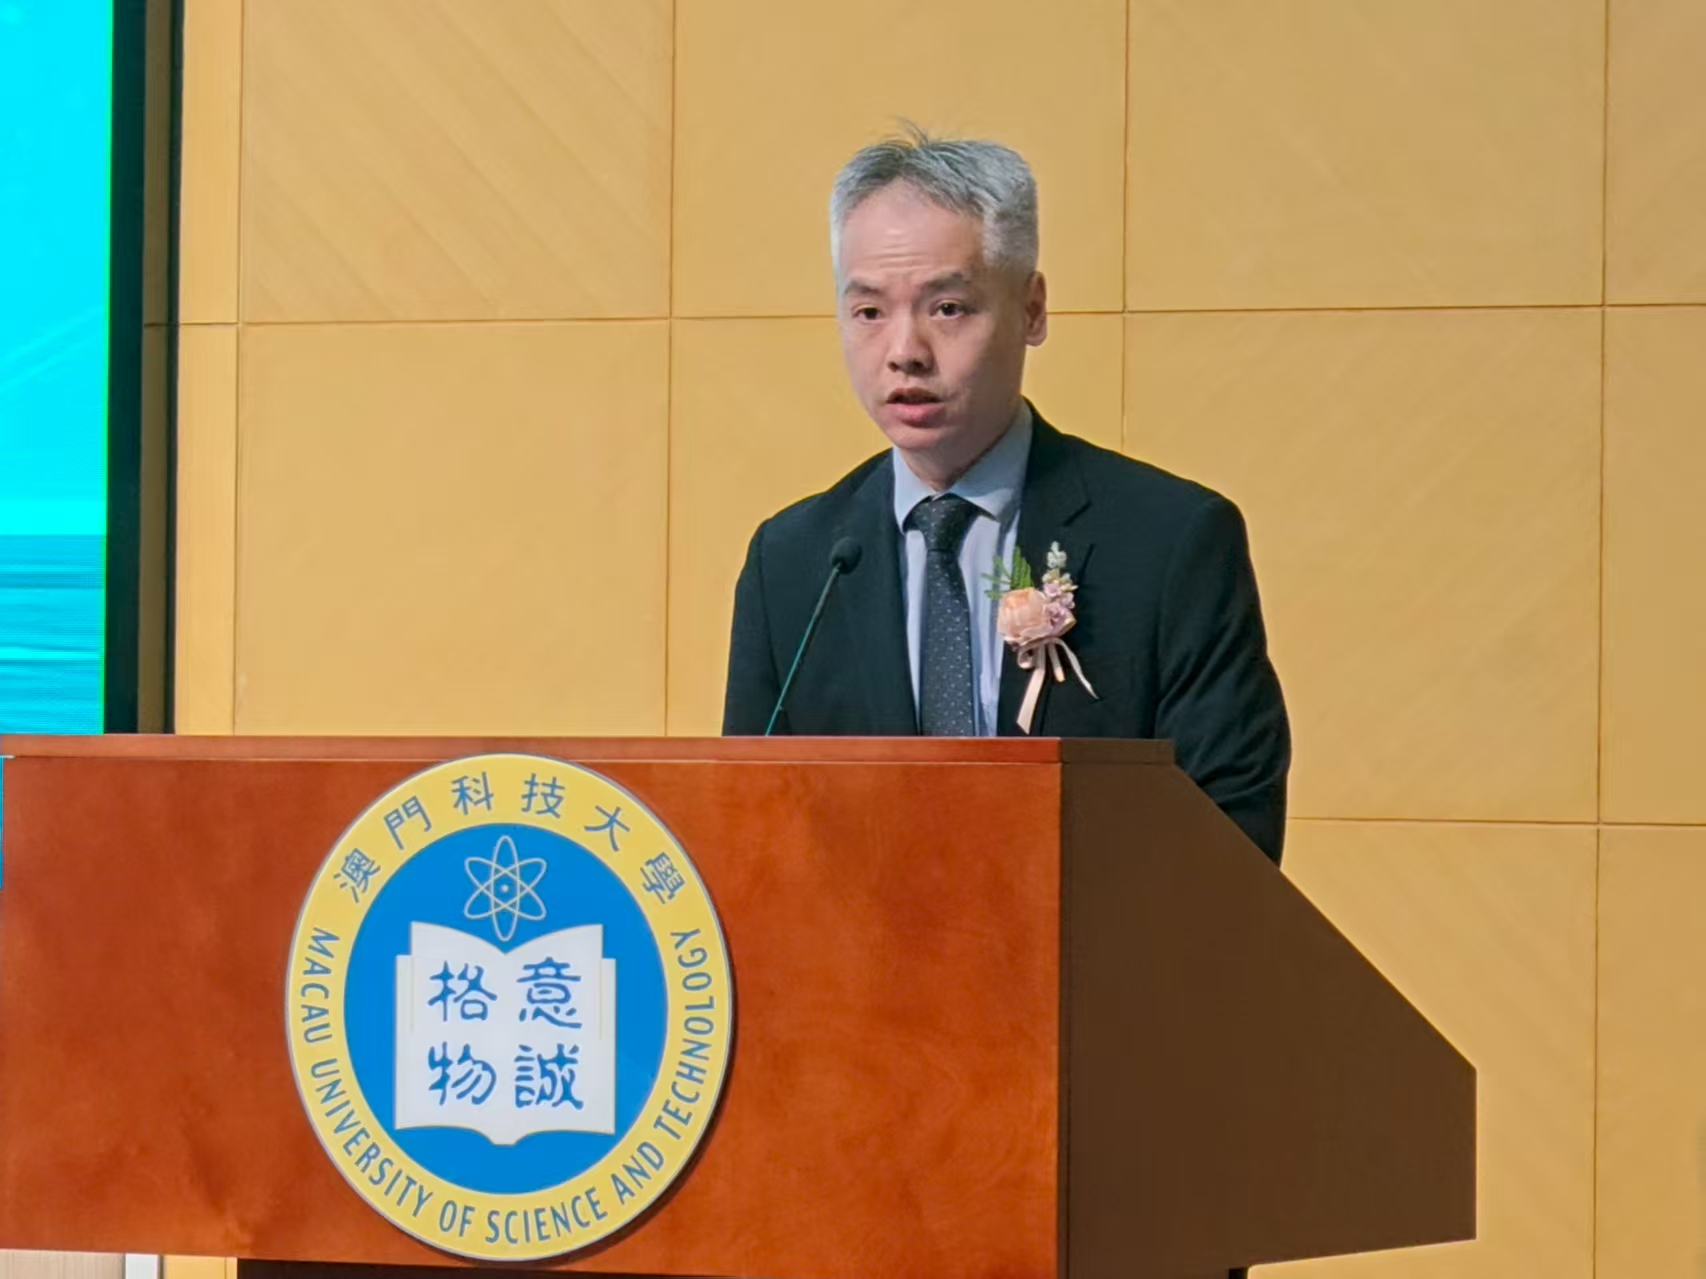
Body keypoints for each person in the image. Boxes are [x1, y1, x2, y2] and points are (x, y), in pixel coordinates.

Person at [722, 126, 1289, 866]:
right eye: (869, 312)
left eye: (947, 308)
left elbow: (1231, 840)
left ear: (1032, 309)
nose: (904, 351)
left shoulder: (1171, 542)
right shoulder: (795, 562)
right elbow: (749, 833)